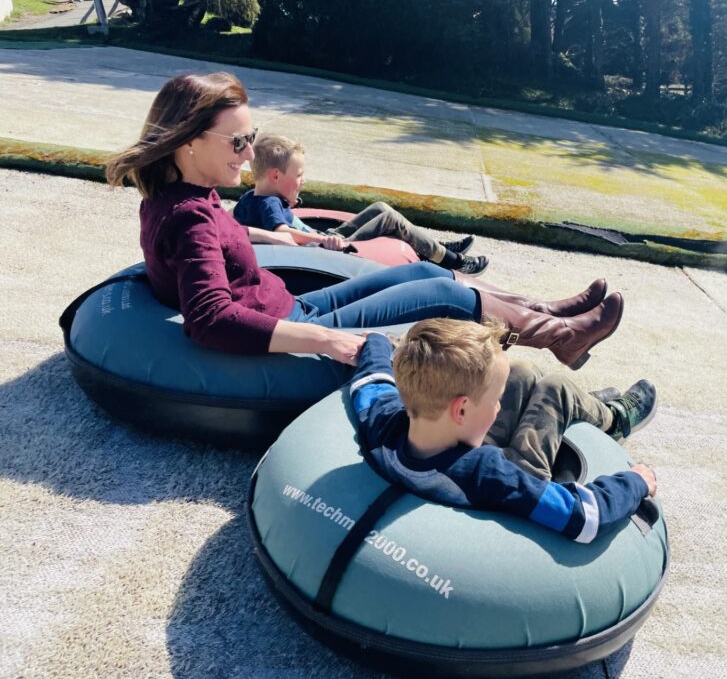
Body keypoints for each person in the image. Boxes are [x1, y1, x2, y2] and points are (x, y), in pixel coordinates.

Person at [104, 72, 624, 368]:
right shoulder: (187, 217)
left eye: (251, 137)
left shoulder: (186, 197)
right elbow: (209, 320)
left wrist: (279, 235)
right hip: (299, 325)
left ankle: (543, 308)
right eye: (238, 142)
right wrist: (327, 342)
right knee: (446, 296)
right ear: (189, 142)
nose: (248, 154)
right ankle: (556, 336)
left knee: (425, 273)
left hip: (291, 301)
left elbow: (227, 235)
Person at [350, 318, 658, 543]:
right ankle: (613, 419)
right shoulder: (489, 473)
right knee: (556, 388)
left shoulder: (385, 422)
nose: (498, 406)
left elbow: (372, 381)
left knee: (522, 373)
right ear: (461, 409)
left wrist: (375, 340)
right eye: (496, 400)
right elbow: (584, 517)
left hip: (450, 451)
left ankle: (582, 404)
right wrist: (636, 482)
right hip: (519, 475)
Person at [234, 133, 489, 275]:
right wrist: (323, 241)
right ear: (276, 176)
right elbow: (282, 234)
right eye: (298, 176)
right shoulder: (268, 203)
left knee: (380, 208)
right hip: (325, 247)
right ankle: (450, 259)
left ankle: (433, 246)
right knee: (389, 218)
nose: (303, 181)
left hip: (322, 238)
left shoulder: (252, 198)